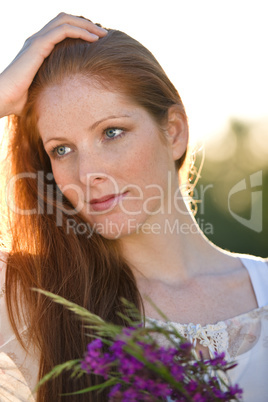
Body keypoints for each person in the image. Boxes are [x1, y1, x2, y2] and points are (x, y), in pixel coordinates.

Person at [0, 12, 267, 402]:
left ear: (173, 132)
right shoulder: (35, 300)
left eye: (111, 132)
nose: (88, 172)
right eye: (62, 149)